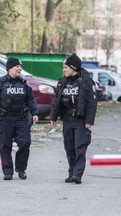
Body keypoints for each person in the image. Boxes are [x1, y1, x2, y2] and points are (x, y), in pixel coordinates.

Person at [50, 54, 97, 184]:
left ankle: (77, 174)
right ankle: (71, 172)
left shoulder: (86, 81)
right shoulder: (62, 82)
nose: (63, 70)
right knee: (69, 148)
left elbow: (92, 103)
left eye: (65, 67)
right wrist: (53, 116)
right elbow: (56, 100)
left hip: (80, 120)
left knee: (79, 147)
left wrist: (89, 121)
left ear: (73, 68)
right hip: (67, 119)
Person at [0, 57, 39, 180]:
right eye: (17, 66)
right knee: (5, 145)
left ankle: (21, 168)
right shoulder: (1, 82)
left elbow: (30, 99)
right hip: (5, 118)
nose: (20, 69)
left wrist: (34, 113)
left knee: (25, 142)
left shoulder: (23, 83)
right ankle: (8, 171)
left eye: (20, 66)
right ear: (10, 68)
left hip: (21, 118)